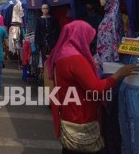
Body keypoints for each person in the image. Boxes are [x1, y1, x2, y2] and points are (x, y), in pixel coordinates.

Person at [46, 20, 138, 153]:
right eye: (88, 37)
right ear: (81, 37)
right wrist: (118, 75)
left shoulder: (62, 54)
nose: (90, 42)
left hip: (69, 116)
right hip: (81, 120)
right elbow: (97, 89)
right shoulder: (75, 60)